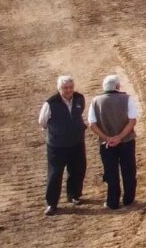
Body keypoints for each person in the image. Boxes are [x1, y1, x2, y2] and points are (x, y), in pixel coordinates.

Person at [87, 75, 138, 210]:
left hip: (107, 144)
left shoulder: (95, 101)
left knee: (111, 172)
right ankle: (129, 199)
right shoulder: (127, 99)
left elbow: (92, 124)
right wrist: (120, 137)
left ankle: (112, 201)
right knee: (129, 170)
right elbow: (132, 121)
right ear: (117, 86)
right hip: (126, 141)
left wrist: (107, 138)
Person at [38, 75, 86, 216]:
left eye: (71, 87)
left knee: (78, 170)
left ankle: (74, 195)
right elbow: (42, 122)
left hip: (76, 142)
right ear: (59, 89)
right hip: (57, 146)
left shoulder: (79, 98)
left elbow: (79, 113)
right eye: (65, 88)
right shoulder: (50, 103)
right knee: (55, 174)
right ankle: (52, 204)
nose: (68, 90)